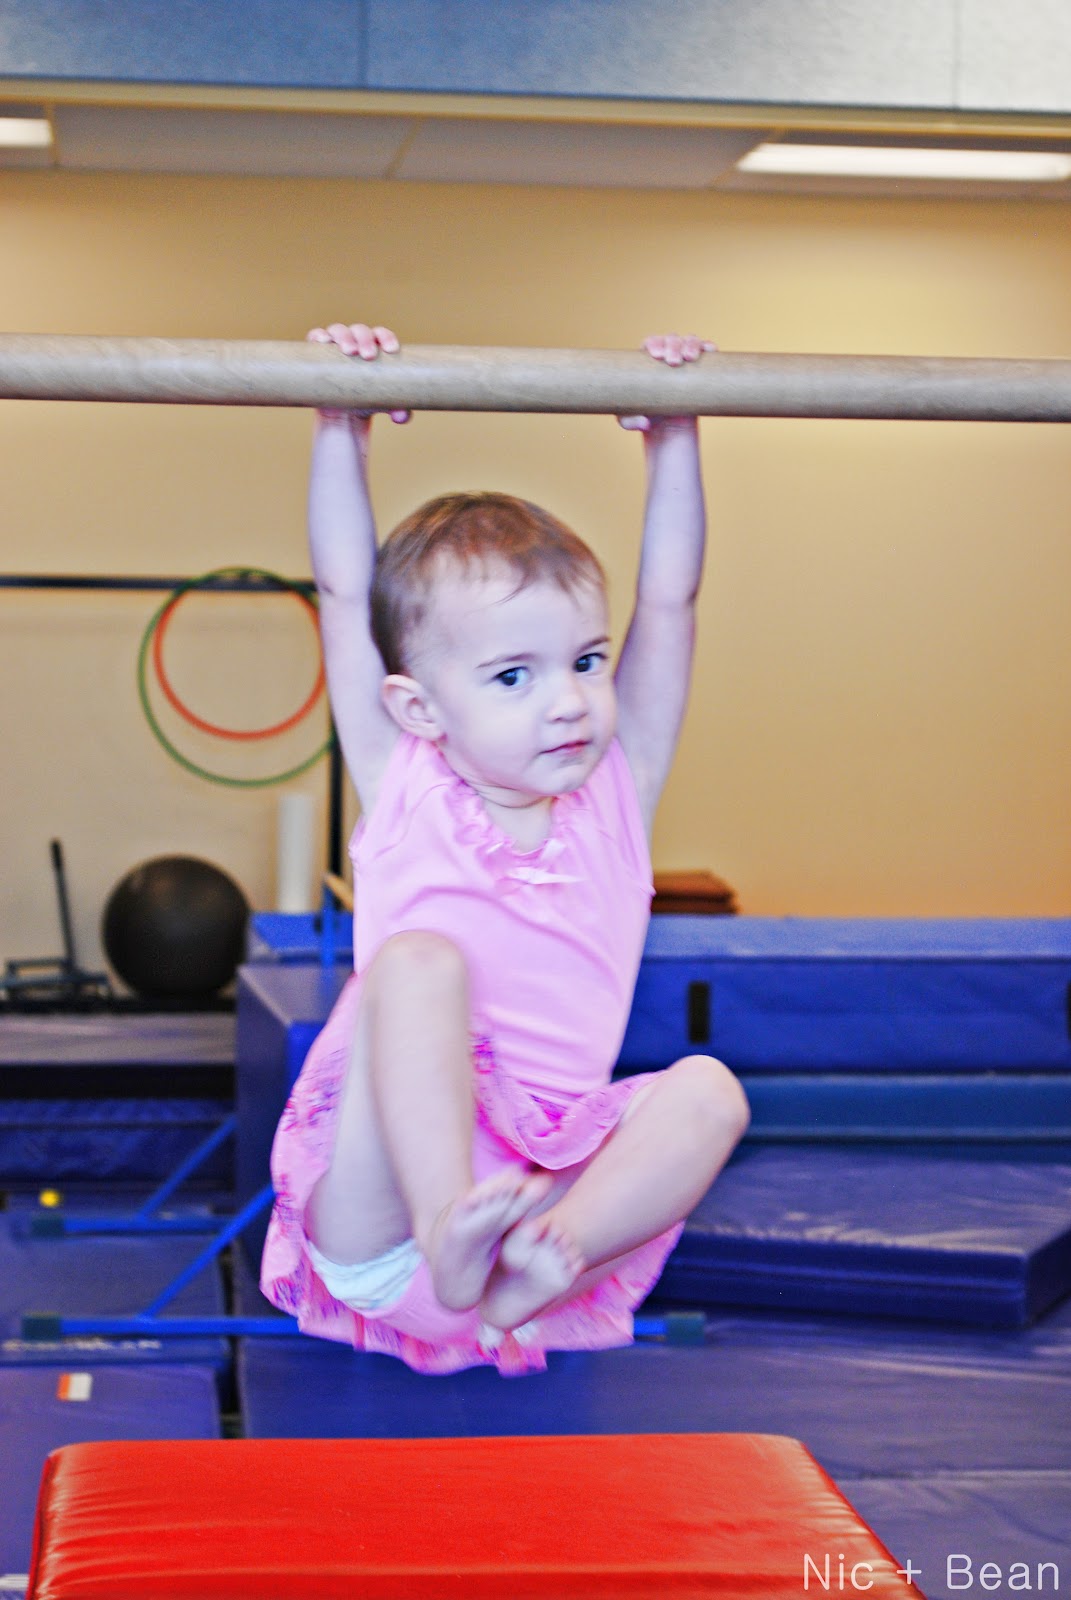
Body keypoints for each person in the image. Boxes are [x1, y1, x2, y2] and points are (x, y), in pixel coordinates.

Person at [261, 323, 750, 1375]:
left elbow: (671, 603)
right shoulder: (406, 779)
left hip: (534, 1223)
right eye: (514, 676)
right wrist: (334, 421)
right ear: (418, 707)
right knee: (421, 964)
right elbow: (345, 596)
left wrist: (675, 437)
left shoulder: (617, 789)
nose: (569, 700)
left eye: (584, 660)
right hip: (388, 1223)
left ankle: (551, 1257)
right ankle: (451, 1225)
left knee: (712, 1089)